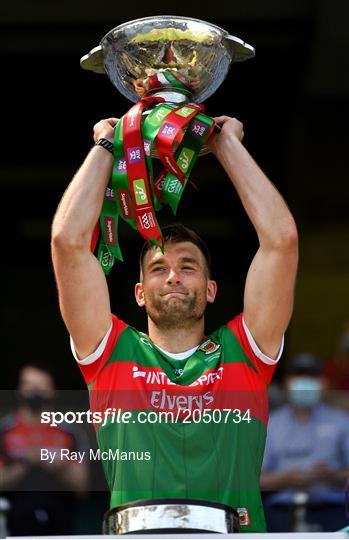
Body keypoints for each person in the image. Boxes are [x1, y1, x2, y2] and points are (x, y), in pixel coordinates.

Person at [51, 114, 298, 532]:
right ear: (139, 293)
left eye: (188, 267)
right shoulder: (110, 351)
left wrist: (225, 144)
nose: (173, 277)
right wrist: (109, 144)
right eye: (159, 268)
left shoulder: (245, 350)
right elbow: (67, 243)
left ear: (212, 288)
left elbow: (281, 241)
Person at [261, 353, 349, 532]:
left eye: (311, 377)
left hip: (331, 510)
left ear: (324, 384)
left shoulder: (341, 421)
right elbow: (252, 478)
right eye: (299, 377)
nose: (304, 383)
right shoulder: (269, 423)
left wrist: (331, 475)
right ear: (286, 383)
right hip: (281, 510)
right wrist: (284, 479)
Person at [0, 364, 90, 536]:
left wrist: (53, 463)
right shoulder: (3, 431)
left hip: (61, 524)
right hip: (12, 525)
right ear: (18, 389)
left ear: (53, 390)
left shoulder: (71, 433)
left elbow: (82, 487)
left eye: (41, 386)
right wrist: (27, 461)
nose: (35, 391)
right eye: (29, 385)